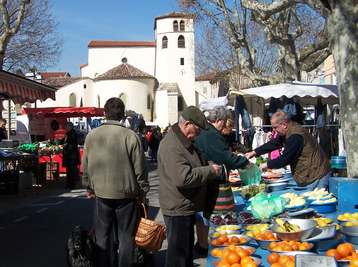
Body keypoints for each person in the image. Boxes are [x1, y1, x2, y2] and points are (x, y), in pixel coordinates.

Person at [82, 97, 149, 267]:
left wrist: (88, 186)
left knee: (102, 236)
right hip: (126, 193)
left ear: (104, 113)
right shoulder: (131, 136)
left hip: (102, 192)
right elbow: (140, 167)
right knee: (126, 236)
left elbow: (86, 164)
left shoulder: (92, 136)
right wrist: (142, 191)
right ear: (123, 115)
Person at [158, 106, 222, 267]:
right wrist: (209, 170)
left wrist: (208, 165)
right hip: (178, 208)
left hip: (185, 206)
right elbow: (183, 178)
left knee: (185, 254)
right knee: (178, 257)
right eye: (198, 130)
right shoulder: (172, 145)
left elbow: (195, 162)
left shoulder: (184, 141)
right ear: (186, 124)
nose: (199, 134)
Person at [194, 106, 252, 254]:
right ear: (218, 120)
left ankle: (202, 244)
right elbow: (225, 157)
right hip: (212, 179)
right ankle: (214, 245)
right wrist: (245, 162)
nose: (224, 125)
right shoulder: (211, 134)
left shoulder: (205, 130)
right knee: (214, 215)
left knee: (201, 214)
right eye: (224, 121)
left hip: (204, 176)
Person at [246, 110, 332, 191]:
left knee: (317, 202)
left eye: (275, 127)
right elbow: (275, 143)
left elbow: (285, 159)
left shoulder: (295, 136)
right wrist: (255, 152)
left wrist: (265, 164)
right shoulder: (289, 131)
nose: (274, 130)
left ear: (284, 125)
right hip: (309, 174)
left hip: (317, 175)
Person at [61, 122, 80, 189]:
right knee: (68, 170)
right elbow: (63, 141)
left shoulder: (73, 134)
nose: (67, 128)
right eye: (66, 126)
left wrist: (67, 146)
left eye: (68, 126)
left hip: (72, 156)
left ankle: (72, 185)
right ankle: (68, 184)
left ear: (71, 127)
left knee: (72, 171)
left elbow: (74, 144)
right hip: (68, 155)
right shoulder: (67, 134)